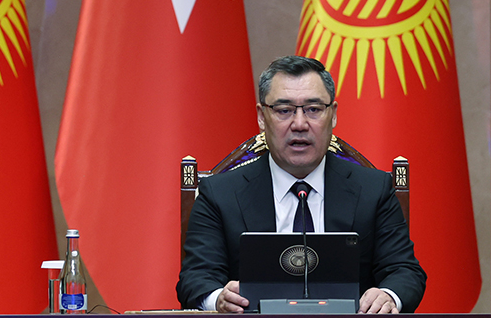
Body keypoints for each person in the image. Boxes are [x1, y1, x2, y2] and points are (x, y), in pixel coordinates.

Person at [176, 56, 425, 314]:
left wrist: (387, 296)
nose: (299, 124)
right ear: (262, 117)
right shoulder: (219, 194)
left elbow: (405, 271)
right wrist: (219, 299)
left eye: (313, 109)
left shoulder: (373, 190)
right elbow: (195, 278)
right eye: (284, 110)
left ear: (333, 115)